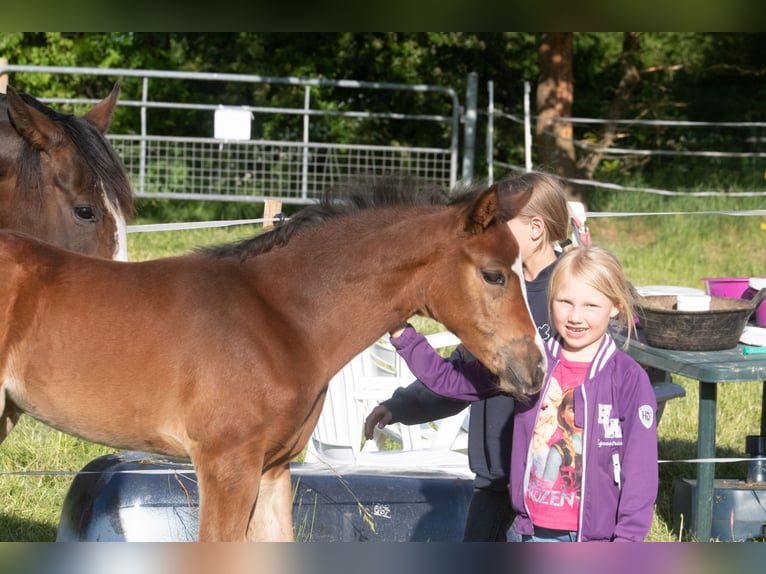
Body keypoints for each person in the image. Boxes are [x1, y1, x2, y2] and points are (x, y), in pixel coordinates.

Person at [388, 245, 659, 542]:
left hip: (595, 539)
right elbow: (450, 381)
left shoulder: (629, 379)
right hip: (531, 532)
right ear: (550, 300)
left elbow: (641, 472)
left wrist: (627, 541)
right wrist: (403, 335)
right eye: (564, 302)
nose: (576, 316)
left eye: (591, 306)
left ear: (616, 306)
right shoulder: (531, 364)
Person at [363, 171, 570, 541]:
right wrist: (404, 405)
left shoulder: (570, 296)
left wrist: (400, 332)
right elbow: (463, 371)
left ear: (536, 228)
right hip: (495, 481)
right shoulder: (500, 286)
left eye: (500, 225)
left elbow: (464, 383)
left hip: (549, 485)